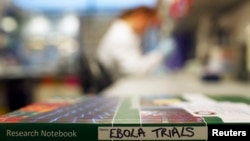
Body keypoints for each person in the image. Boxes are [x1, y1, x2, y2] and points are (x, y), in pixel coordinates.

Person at [96, 6, 168, 82]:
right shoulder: (121, 35)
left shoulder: (127, 32)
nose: (147, 28)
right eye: (148, 22)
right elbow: (134, 70)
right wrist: (160, 54)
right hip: (115, 85)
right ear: (140, 15)